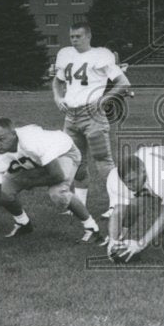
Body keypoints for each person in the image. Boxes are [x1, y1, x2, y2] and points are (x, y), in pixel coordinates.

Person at [0, 118, 101, 253]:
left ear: (14, 134)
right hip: (31, 162)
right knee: (3, 193)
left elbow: (57, 175)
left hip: (62, 152)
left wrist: (30, 183)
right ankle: (23, 223)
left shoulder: (33, 141)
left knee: (58, 193)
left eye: (1, 139)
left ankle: (92, 229)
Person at [52, 21, 131, 218]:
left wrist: (104, 99)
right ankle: (79, 203)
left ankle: (116, 203)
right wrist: (58, 97)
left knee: (103, 160)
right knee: (75, 162)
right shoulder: (65, 54)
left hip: (92, 114)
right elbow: (57, 80)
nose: (74, 40)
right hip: (71, 116)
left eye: (78, 36)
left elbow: (123, 83)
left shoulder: (101, 54)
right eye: (71, 37)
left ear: (88, 36)